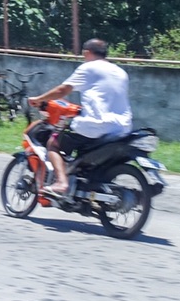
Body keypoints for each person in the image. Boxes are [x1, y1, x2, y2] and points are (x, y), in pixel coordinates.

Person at [30, 37, 132, 197]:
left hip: (96, 126)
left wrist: (39, 99)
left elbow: (62, 90)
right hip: (121, 128)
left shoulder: (88, 67)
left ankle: (61, 183)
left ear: (87, 52)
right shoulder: (120, 72)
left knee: (53, 143)